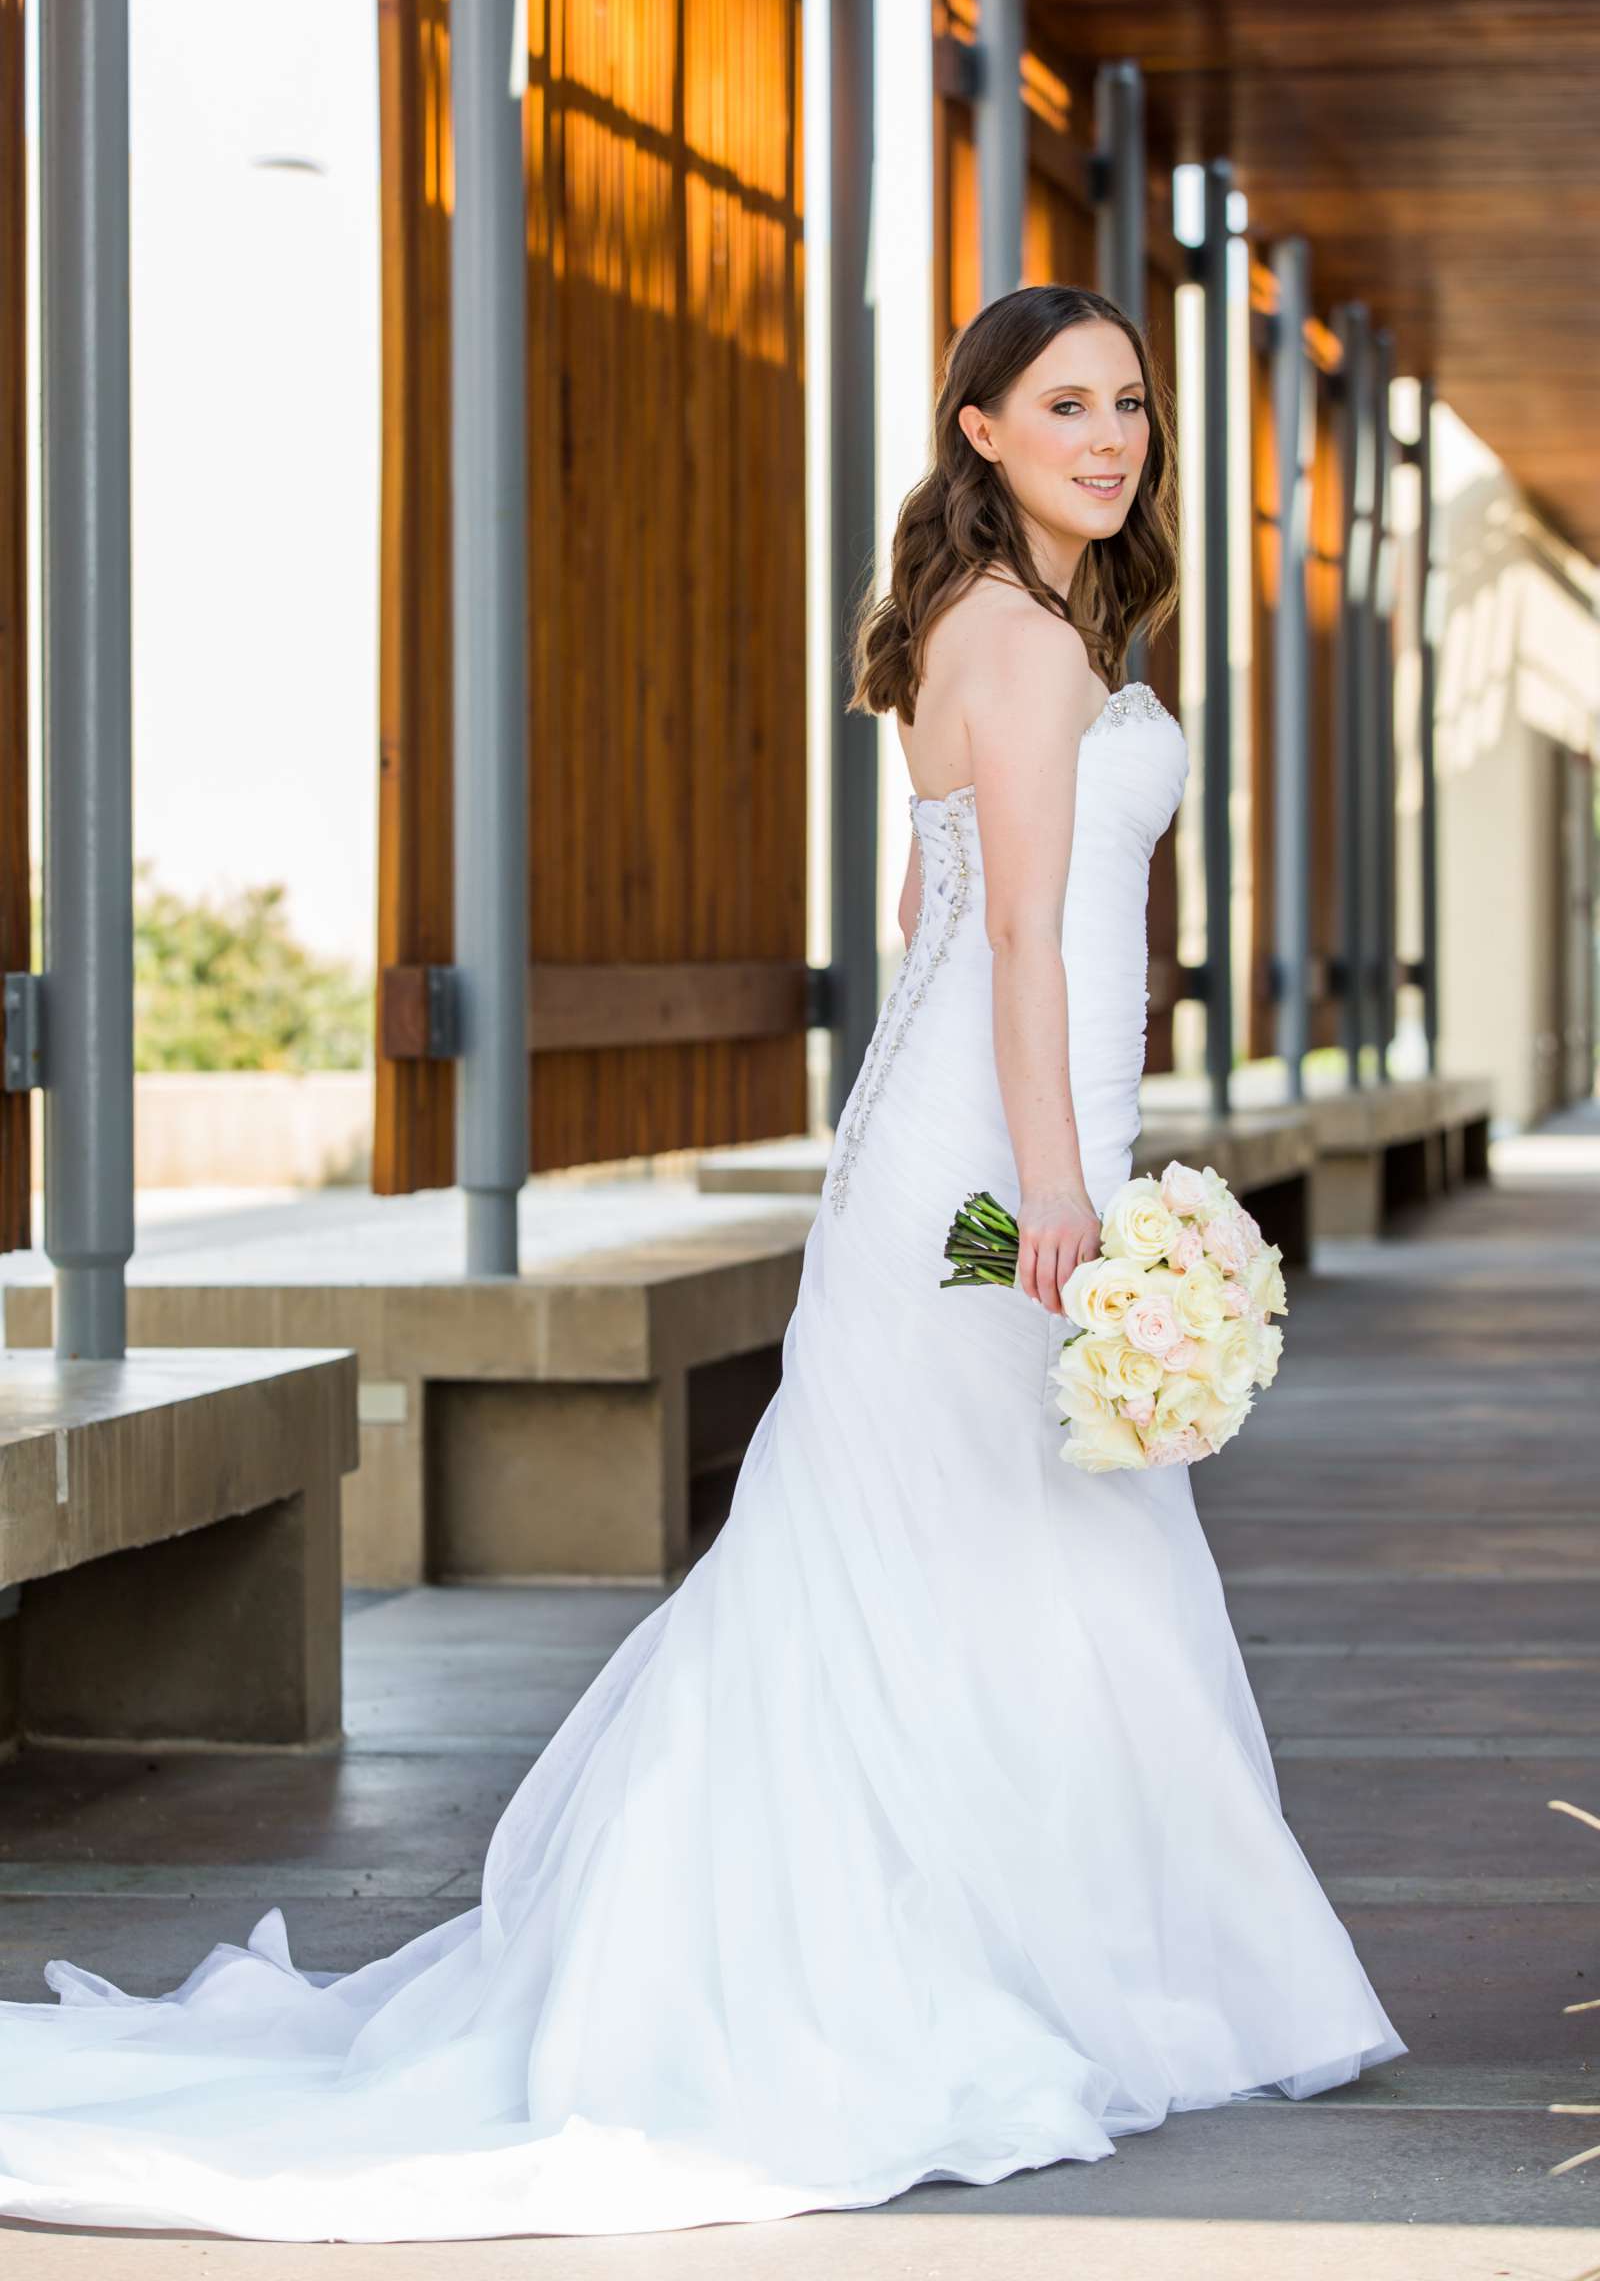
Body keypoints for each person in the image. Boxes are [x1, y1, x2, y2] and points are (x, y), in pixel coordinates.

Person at [0, 284, 1404, 2243]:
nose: (1111, 436)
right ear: (978, 429)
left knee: (1016, 1546)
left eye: (1131, 408)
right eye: (1065, 403)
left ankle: (1052, 1955)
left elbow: (938, 910)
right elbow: (1000, 941)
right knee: (943, 1548)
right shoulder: (1004, 637)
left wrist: (1079, 1135)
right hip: (986, 1170)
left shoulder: (1021, 631)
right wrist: (1067, 1188)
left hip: (985, 1136)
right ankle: (920, 1973)